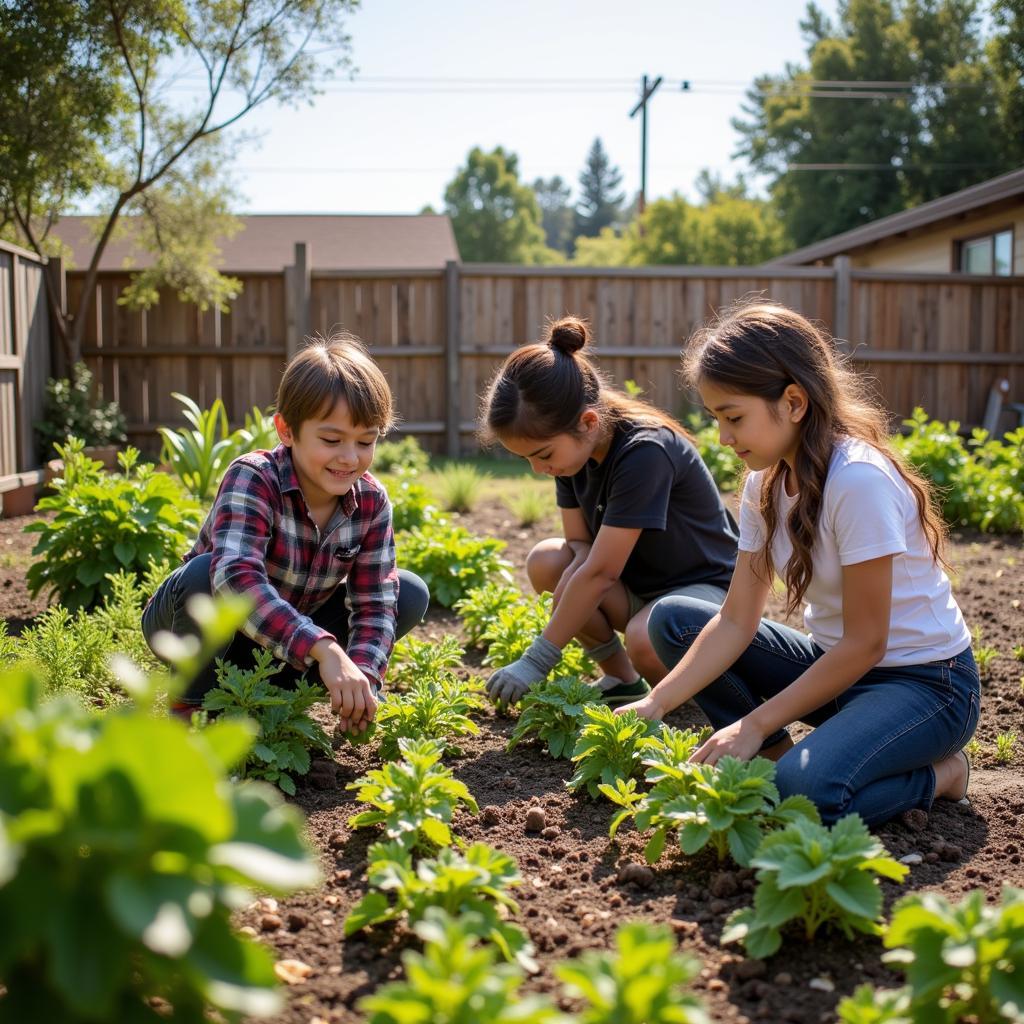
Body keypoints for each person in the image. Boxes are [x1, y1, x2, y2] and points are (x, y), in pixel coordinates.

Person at [619, 301, 979, 825]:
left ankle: (943, 775)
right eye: (716, 419)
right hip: (842, 671)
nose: (723, 437)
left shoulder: (858, 481)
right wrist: (658, 701)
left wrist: (754, 722)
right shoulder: (763, 484)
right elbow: (737, 618)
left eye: (733, 417)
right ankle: (778, 762)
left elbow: (868, 642)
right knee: (674, 618)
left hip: (927, 686)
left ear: (793, 402)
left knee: (803, 796)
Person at [143, 334, 430, 732]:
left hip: (284, 641)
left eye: (366, 441)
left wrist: (362, 675)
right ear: (286, 430)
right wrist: (324, 647)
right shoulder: (254, 477)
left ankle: (288, 691)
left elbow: (374, 603)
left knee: (408, 593)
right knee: (205, 573)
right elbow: (236, 581)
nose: (350, 457)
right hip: (196, 628)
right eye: (331, 440)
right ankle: (194, 706)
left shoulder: (371, 502)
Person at [479, 315, 739, 708]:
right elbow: (579, 544)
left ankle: (691, 697)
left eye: (543, 454)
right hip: (641, 587)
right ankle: (623, 678)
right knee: (549, 562)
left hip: (708, 591)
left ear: (588, 422)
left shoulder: (645, 451)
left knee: (645, 635)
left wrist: (536, 661)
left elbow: (600, 574)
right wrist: (576, 569)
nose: (538, 468)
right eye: (528, 458)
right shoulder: (571, 456)